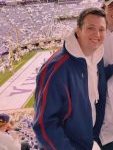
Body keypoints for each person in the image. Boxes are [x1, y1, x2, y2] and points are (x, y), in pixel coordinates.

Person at [33, 8, 107, 150]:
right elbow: (44, 124)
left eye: (102, 29)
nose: (97, 34)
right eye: (91, 28)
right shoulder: (57, 68)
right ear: (78, 31)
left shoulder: (96, 57)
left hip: (88, 142)